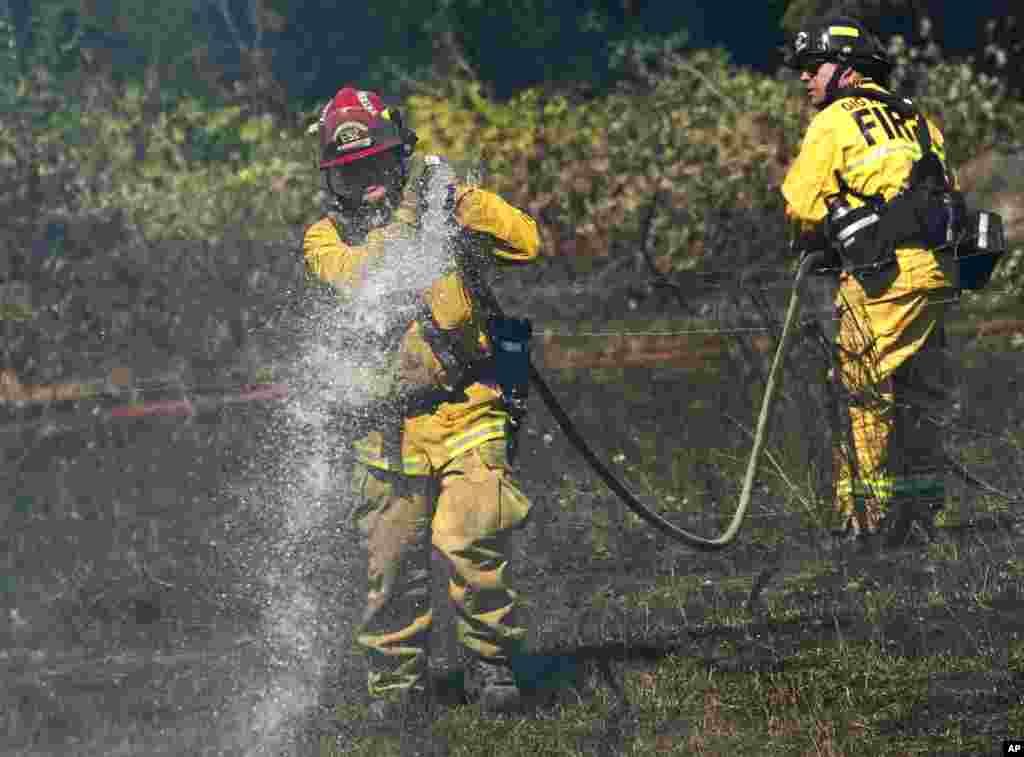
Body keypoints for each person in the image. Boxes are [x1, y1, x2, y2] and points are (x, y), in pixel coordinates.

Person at [302, 86, 542, 724]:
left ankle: (490, 661)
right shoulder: (323, 239)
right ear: (335, 181)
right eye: (354, 175)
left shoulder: (440, 207)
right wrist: (412, 213)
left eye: (379, 168)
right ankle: (395, 688)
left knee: (471, 540)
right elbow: (365, 280)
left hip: (469, 406)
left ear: (399, 158)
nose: (370, 186)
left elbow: (527, 243)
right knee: (393, 569)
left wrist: (459, 197)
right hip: (384, 429)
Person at [780, 17, 959, 553]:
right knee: (920, 396)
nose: (806, 78)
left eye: (815, 67)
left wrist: (825, 230)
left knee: (865, 393)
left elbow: (801, 204)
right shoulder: (918, 120)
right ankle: (922, 516)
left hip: (883, 276)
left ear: (850, 72)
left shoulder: (835, 120)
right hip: (935, 271)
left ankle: (863, 522)